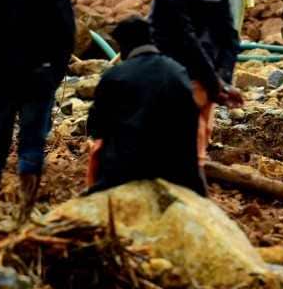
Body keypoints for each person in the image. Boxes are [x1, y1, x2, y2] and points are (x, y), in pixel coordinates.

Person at [0, 0, 74, 221]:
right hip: (36, 77)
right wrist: (51, 77)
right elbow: (65, 36)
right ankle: (24, 214)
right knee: (31, 144)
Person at [148, 0, 243, 166]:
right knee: (195, 156)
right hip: (207, 83)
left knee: (176, 162)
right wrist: (222, 80)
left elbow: (183, 39)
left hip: (179, 82)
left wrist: (215, 84)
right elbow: (230, 36)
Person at [87, 17, 205, 196]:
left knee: (97, 148)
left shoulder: (114, 76)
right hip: (175, 172)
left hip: (123, 173)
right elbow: (192, 124)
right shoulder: (178, 71)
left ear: (125, 45)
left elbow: (96, 128)